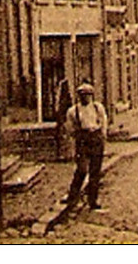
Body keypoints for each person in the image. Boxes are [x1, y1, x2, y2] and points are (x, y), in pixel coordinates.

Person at [61, 82, 108, 210]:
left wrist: (102, 137)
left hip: (96, 138)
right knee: (81, 170)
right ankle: (72, 197)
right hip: (83, 140)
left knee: (95, 171)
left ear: (92, 96)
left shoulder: (98, 108)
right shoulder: (73, 111)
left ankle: (93, 200)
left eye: (88, 95)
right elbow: (70, 128)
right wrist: (77, 139)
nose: (85, 97)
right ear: (79, 96)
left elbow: (103, 122)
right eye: (82, 95)